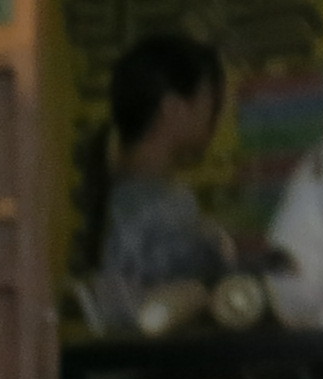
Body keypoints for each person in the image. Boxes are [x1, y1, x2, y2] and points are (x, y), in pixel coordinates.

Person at [89, 33, 232, 318]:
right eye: (210, 104)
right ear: (173, 110)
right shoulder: (157, 208)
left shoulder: (125, 196)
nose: (216, 117)